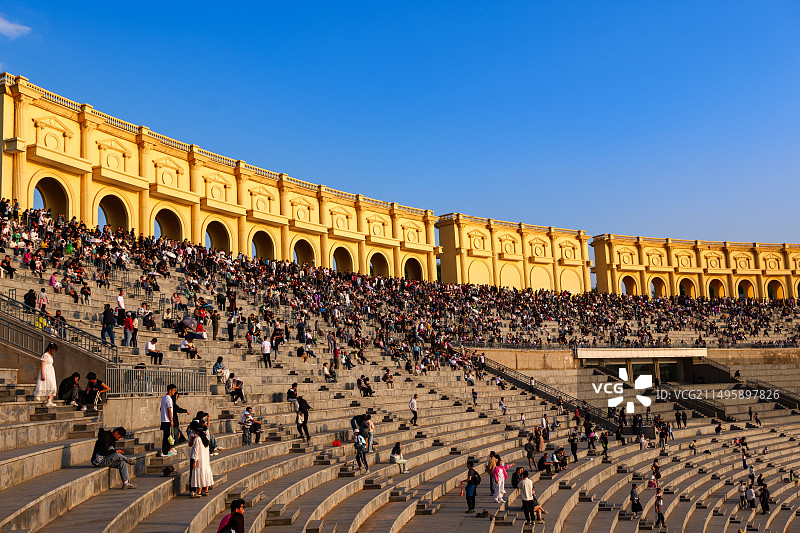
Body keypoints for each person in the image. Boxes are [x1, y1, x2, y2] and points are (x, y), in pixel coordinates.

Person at [188, 419, 214, 497]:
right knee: (206, 473)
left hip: (200, 460)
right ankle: (206, 490)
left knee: (199, 474)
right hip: (205, 460)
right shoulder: (206, 438)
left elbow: (196, 452)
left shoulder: (197, 439)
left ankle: (199, 492)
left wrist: (195, 461)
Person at [33, 342, 58, 407]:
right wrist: (43, 374)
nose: (53, 351)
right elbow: (42, 365)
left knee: (52, 386)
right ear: (49, 348)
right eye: (53, 350)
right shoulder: (45, 355)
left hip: (51, 371)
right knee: (43, 383)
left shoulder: (50, 355)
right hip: (46, 370)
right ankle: (37, 393)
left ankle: (49, 401)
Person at [159, 384, 177, 457]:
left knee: (166, 436)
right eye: (174, 390)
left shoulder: (164, 398)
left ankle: (166, 451)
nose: (174, 392)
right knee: (167, 437)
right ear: (170, 390)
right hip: (167, 420)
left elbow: (161, 409)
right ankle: (165, 452)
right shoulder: (168, 398)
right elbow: (169, 410)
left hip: (164, 420)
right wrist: (171, 420)